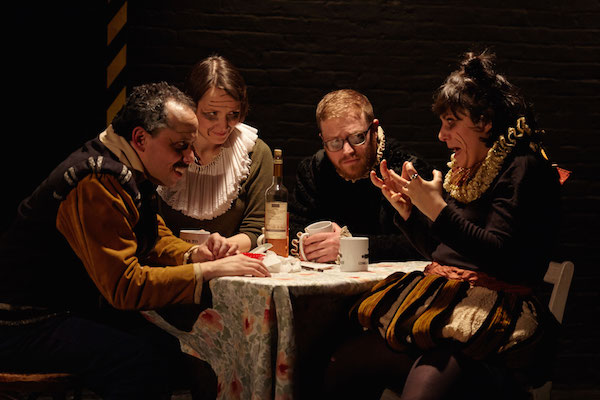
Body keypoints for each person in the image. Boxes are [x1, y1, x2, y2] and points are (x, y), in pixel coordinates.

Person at [0, 82, 270, 400]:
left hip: (64, 312)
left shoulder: (128, 168)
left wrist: (196, 254)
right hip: (21, 322)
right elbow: (125, 288)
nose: (192, 158)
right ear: (141, 138)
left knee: (180, 348)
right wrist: (210, 271)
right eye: (180, 146)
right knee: (141, 363)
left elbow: (152, 238)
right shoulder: (97, 182)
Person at [325, 51, 563, 399]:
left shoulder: (524, 168)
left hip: (493, 330)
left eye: (451, 122)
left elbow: (499, 256)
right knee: (344, 363)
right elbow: (445, 255)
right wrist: (409, 213)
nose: (441, 135)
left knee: (425, 385)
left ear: (483, 122)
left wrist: (438, 211)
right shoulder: (469, 168)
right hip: (450, 316)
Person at [289, 89, 431, 263]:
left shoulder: (406, 169)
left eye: (357, 137)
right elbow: (289, 230)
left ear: (374, 129)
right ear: (322, 140)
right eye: (334, 142)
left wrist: (350, 245)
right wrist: (307, 241)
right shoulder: (313, 170)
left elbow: (431, 242)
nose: (347, 150)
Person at [158, 55, 273, 253]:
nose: (223, 126)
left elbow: (257, 230)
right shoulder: (163, 147)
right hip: (167, 266)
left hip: (228, 268)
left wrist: (221, 248)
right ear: (191, 106)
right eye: (212, 114)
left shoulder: (254, 153)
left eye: (233, 115)